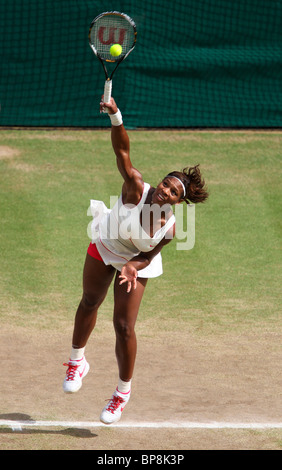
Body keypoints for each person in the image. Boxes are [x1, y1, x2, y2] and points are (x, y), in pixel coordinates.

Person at [63, 96, 209, 424]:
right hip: (107, 242)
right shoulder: (135, 187)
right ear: (160, 182)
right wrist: (116, 115)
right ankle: (77, 361)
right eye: (166, 184)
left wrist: (132, 266)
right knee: (89, 301)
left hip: (135, 261)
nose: (166, 191)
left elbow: (148, 254)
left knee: (124, 326)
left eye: (173, 193)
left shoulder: (170, 229)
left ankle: (121, 393)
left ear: (178, 202)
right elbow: (123, 151)